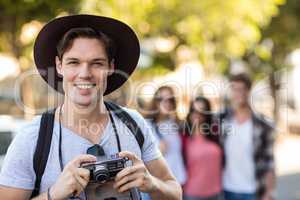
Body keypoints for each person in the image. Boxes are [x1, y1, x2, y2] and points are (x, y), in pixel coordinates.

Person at [0, 14, 182, 200]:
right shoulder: (33, 138)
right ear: (59, 66)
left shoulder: (133, 123)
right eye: (74, 62)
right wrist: (53, 194)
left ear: (111, 67)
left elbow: (175, 192)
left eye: (97, 63)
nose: (85, 74)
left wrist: (152, 184)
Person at [219, 73, 276, 200]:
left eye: (241, 89)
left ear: (248, 92)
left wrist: (269, 192)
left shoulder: (263, 125)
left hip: (253, 190)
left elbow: (269, 161)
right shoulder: (223, 120)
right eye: (234, 89)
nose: (238, 93)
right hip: (227, 189)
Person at [181, 96, 223, 200]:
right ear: (190, 113)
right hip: (193, 194)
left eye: (202, 111)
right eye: (194, 111)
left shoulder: (216, 133)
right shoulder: (183, 137)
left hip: (217, 193)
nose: (198, 115)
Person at [146, 86, 187, 187]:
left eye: (170, 100)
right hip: (160, 184)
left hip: (179, 180)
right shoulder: (146, 125)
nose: (166, 103)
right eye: (161, 99)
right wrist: (157, 152)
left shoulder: (177, 124)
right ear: (155, 102)